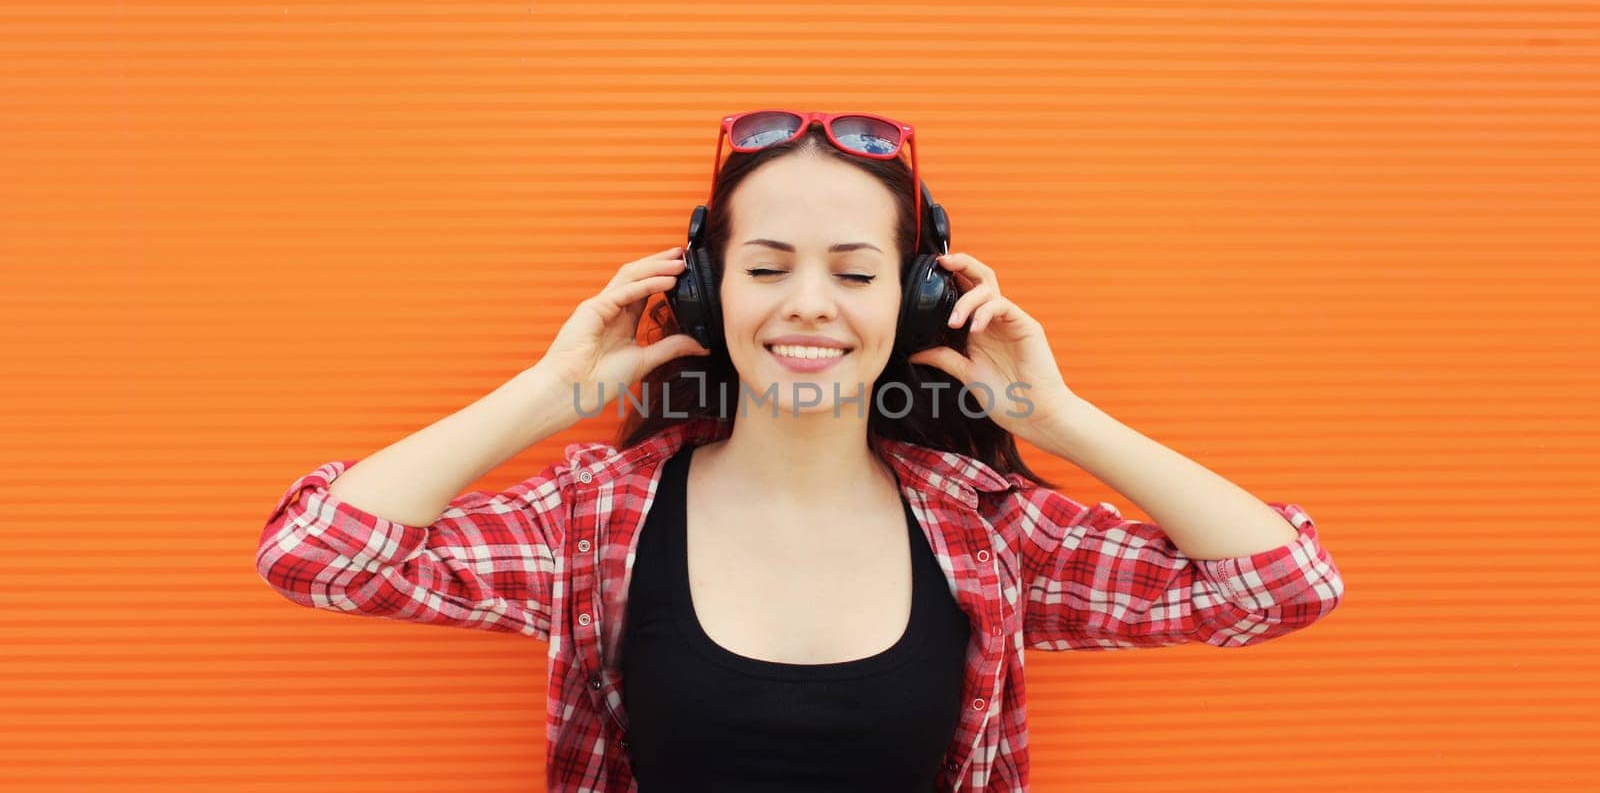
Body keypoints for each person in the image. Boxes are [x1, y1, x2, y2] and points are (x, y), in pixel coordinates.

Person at [254, 111, 1346, 793]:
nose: (808, 306)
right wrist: (549, 395)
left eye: (858, 272)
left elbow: (1279, 588)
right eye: (766, 266)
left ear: (919, 302)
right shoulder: (601, 516)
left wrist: (1056, 420)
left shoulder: (985, 528)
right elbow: (318, 555)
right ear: (703, 292)